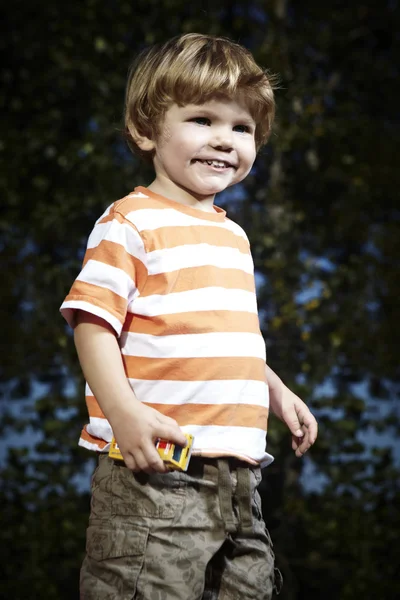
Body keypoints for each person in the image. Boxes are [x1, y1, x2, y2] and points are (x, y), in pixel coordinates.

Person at [60, 33, 318, 600]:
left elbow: (223, 335)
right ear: (147, 130)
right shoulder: (130, 222)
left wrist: (273, 390)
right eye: (203, 120)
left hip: (239, 480)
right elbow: (91, 321)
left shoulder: (234, 236)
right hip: (157, 473)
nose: (225, 140)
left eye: (242, 128)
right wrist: (123, 413)